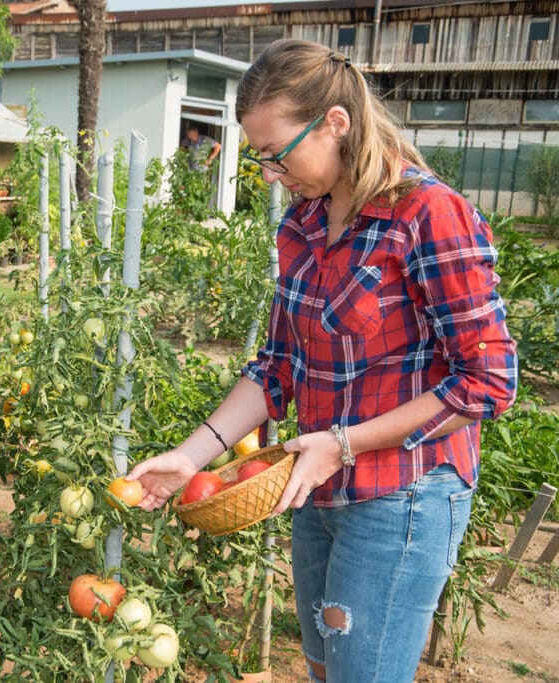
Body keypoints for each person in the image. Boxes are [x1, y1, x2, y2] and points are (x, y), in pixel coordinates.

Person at [129, 39, 517, 683]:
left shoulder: (426, 216)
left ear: (335, 123)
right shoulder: (304, 224)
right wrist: (190, 457)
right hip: (316, 487)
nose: (271, 174)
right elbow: (278, 364)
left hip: (403, 495)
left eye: (278, 155)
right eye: (261, 158)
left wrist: (342, 443)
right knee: (323, 668)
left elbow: (488, 380)